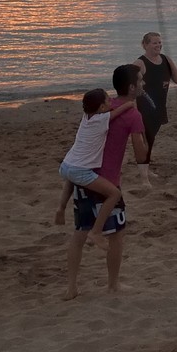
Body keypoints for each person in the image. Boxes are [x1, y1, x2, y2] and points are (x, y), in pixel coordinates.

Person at [61, 64, 148, 299]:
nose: (143, 84)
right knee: (116, 235)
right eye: (140, 81)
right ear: (131, 87)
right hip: (107, 179)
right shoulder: (131, 114)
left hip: (82, 175)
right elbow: (141, 155)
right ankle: (113, 285)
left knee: (79, 233)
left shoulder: (99, 108)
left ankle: (71, 287)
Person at [53, 87, 137, 246]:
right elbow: (120, 110)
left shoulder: (86, 117)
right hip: (80, 170)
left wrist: (108, 103)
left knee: (71, 180)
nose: (110, 101)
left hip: (67, 165)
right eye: (107, 99)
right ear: (102, 108)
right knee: (114, 194)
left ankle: (61, 207)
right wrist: (129, 104)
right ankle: (96, 231)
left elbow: (107, 108)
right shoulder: (102, 119)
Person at [132, 31, 177, 186]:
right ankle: (144, 178)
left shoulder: (166, 60)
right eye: (154, 42)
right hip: (144, 108)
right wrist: (133, 108)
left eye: (159, 42)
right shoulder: (140, 63)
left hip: (159, 107)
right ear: (145, 45)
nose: (158, 45)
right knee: (145, 141)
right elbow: (131, 87)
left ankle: (145, 170)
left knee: (150, 139)